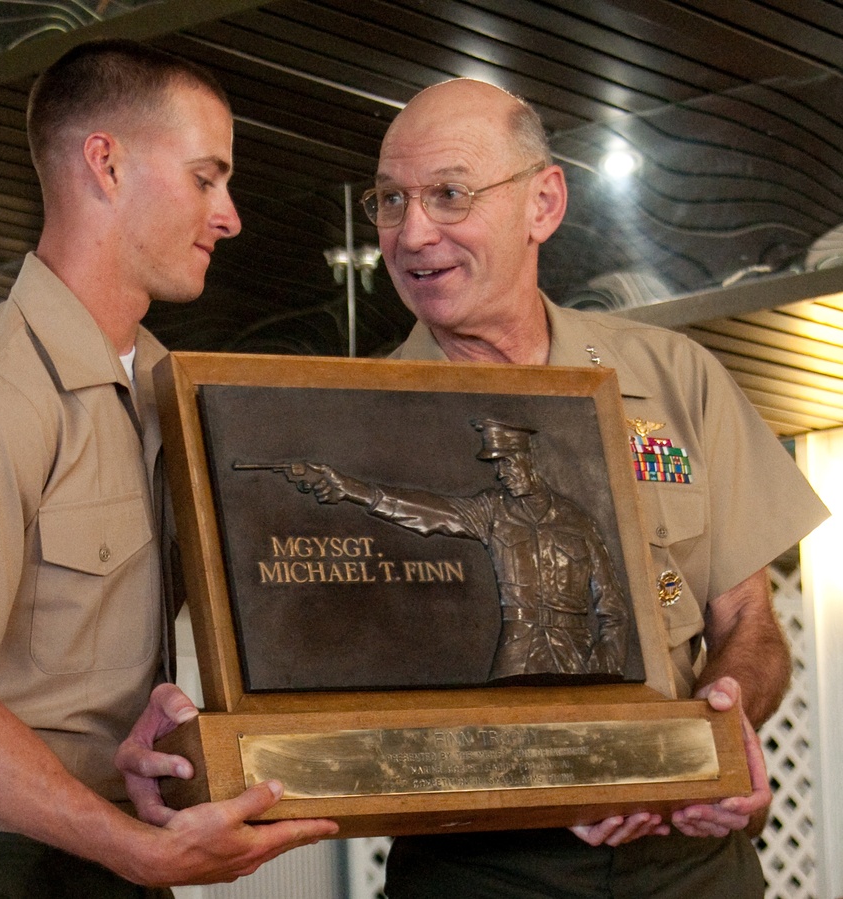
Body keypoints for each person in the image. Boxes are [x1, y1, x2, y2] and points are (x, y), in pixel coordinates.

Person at [0, 39, 336, 898]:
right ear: (107, 163)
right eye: (206, 178)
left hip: (116, 853)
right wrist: (134, 847)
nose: (229, 215)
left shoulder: (163, 391)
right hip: (1, 871)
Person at [352, 78, 829, 897]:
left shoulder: (674, 377)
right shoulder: (349, 421)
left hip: (690, 857)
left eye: (449, 194)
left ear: (543, 203)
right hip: (476, 865)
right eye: (390, 200)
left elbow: (749, 621)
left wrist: (718, 720)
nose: (413, 231)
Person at [270, 418, 630, 681]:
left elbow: (613, 605)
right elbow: (432, 511)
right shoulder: (493, 510)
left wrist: (609, 659)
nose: (500, 474)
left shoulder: (579, 520)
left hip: (578, 658)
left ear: (532, 460)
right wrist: (354, 489)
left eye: (507, 462)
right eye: (494, 465)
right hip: (518, 659)